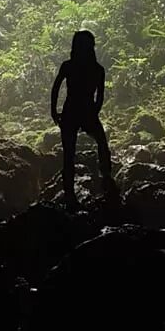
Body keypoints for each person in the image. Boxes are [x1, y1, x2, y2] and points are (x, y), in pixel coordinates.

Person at [50, 30, 113, 209]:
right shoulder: (97, 69)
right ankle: (106, 179)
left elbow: (56, 88)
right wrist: (95, 112)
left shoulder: (69, 66)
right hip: (85, 112)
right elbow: (100, 96)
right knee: (101, 143)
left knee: (69, 154)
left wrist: (54, 111)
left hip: (71, 112)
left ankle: (70, 194)